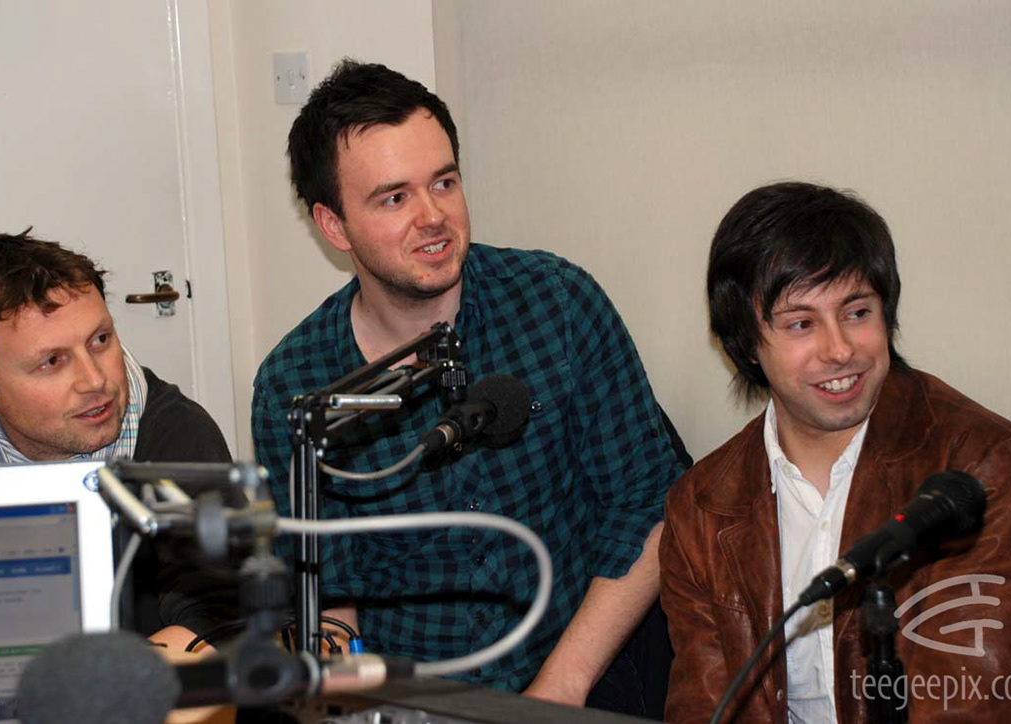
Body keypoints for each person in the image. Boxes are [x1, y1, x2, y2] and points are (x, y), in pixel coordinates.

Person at [252, 59, 688, 714]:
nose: (433, 216)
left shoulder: (558, 304)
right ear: (334, 225)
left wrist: (560, 687)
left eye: (444, 182)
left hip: (580, 673)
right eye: (394, 198)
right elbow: (327, 591)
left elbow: (648, 502)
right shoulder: (297, 387)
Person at [660, 181, 1011, 722]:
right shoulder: (701, 508)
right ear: (746, 345)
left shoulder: (981, 466)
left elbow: (978, 707)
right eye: (801, 324)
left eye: (856, 313)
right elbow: (704, 709)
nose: (840, 349)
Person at [0, 230, 236, 643]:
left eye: (100, 340)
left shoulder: (175, 437)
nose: (95, 380)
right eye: (52, 361)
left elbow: (218, 618)